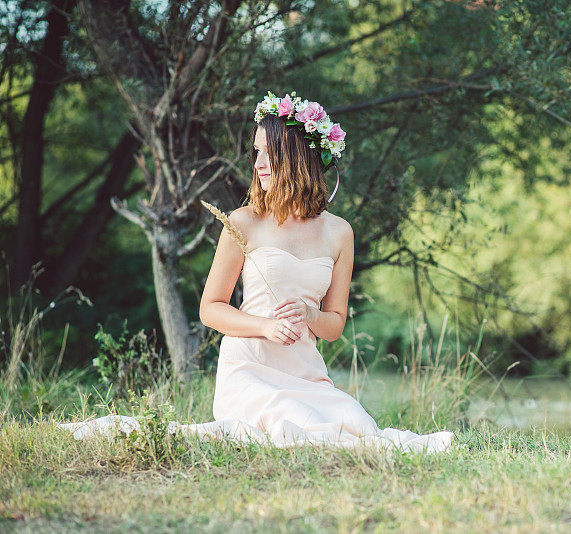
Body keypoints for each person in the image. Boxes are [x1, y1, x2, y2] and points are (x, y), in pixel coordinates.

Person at [57, 91, 454, 454]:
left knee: (356, 424)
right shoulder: (244, 222)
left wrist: (311, 316)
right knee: (299, 424)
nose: (259, 163)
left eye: (269, 152)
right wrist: (265, 326)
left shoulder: (339, 232)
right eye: (256, 152)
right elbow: (210, 309)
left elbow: (334, 324)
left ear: (298, 154)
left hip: (306, 373)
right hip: (248, 369)